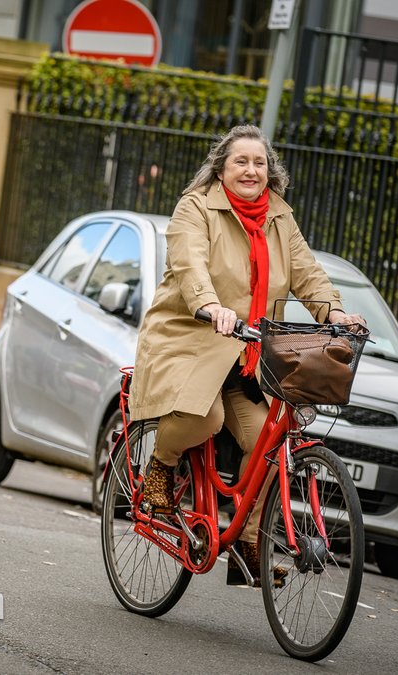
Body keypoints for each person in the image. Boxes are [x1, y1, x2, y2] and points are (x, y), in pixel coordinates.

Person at [129, 125, 365, 586]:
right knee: (205, 419)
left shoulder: (279, 218)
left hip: (249, 352)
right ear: (221, 168)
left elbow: (307, 273)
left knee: (271, 444)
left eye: (259, 163)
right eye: (241, 162)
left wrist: (334, 312)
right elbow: (188, 262)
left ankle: (248, 542)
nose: (251, 170)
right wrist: (209, 304)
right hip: (191, 336)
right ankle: (160, 465)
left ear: (270, 171)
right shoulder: (196, 207)